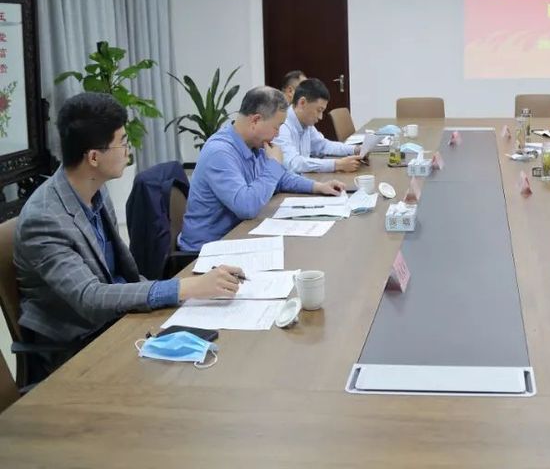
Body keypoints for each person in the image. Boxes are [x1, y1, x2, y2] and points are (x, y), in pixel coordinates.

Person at [14, 93, 243, 382]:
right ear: (93, 157)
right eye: (122, 142)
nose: (128, 150)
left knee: (224, 353)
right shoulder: (45, 218)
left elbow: (120, 275)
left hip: (119, 323)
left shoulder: (94, 189)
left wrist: (187, 294)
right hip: (78, 350)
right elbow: (89, 297)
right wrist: (183, 288)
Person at [179, 87, 345, 252]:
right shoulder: (220, 152)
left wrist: (317, 187)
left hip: (237, 235)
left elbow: (281, 178)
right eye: (277, 127)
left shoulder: (253, 144)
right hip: (206, 250)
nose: (278, 134)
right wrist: (274, 164)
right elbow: (247, 207)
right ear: (256, 120)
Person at [274, 78, 362, 174]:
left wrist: (355, 149)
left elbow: (323, 145)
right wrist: (336, 164)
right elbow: (293, 163)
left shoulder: (306, 123)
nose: (320, 117)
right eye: (319, 110)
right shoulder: (282, 125)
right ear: (302, 103)